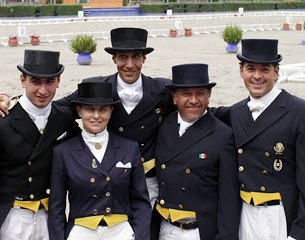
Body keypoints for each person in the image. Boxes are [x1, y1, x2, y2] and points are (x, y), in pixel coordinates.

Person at [54, 27, 175, 207]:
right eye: (123, 57)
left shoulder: (163, 89)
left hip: (148, 179)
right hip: (108, 176)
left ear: (144, 58)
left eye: (135, 57)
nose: (129, 64)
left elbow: (194, 107)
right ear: (114, 59)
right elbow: (59, 109)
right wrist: (12, 102)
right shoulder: (96, 87)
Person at [214, 39, 305, 240]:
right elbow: (200, 114)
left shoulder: (298, 111)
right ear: (241, 71)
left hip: (280, 216)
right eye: (250, 69)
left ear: (276, 71)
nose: (257, 76)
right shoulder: (236, 112)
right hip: (245, 214)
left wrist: (299, 232)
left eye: (264, 69)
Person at [48, 82, 151, 240]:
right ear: (79, 111)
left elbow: (140, 201)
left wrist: (140, 236)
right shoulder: (63, 151)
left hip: (121, 231)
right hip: (81, 230)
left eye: (102, 109)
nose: (96, 116)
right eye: (90, 109)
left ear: (110, 112)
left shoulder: (129, 148)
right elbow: (56, 205)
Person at [151, 63, 241, 240]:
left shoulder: (222, 135)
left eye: (200, 93)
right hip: (164, 228)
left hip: (198, 231)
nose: (193, 100)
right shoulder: (164, 125)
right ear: (174, 98)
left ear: (208, 96)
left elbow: (229, 198)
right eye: (186, 94)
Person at [0, 50, 79, 240]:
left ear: (59, 81)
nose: (43, 91)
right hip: (13, 217)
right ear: (22, 80)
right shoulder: (5, 119)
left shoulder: (64, 117)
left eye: (50, 82)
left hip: (50, 216)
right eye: (35, 81)